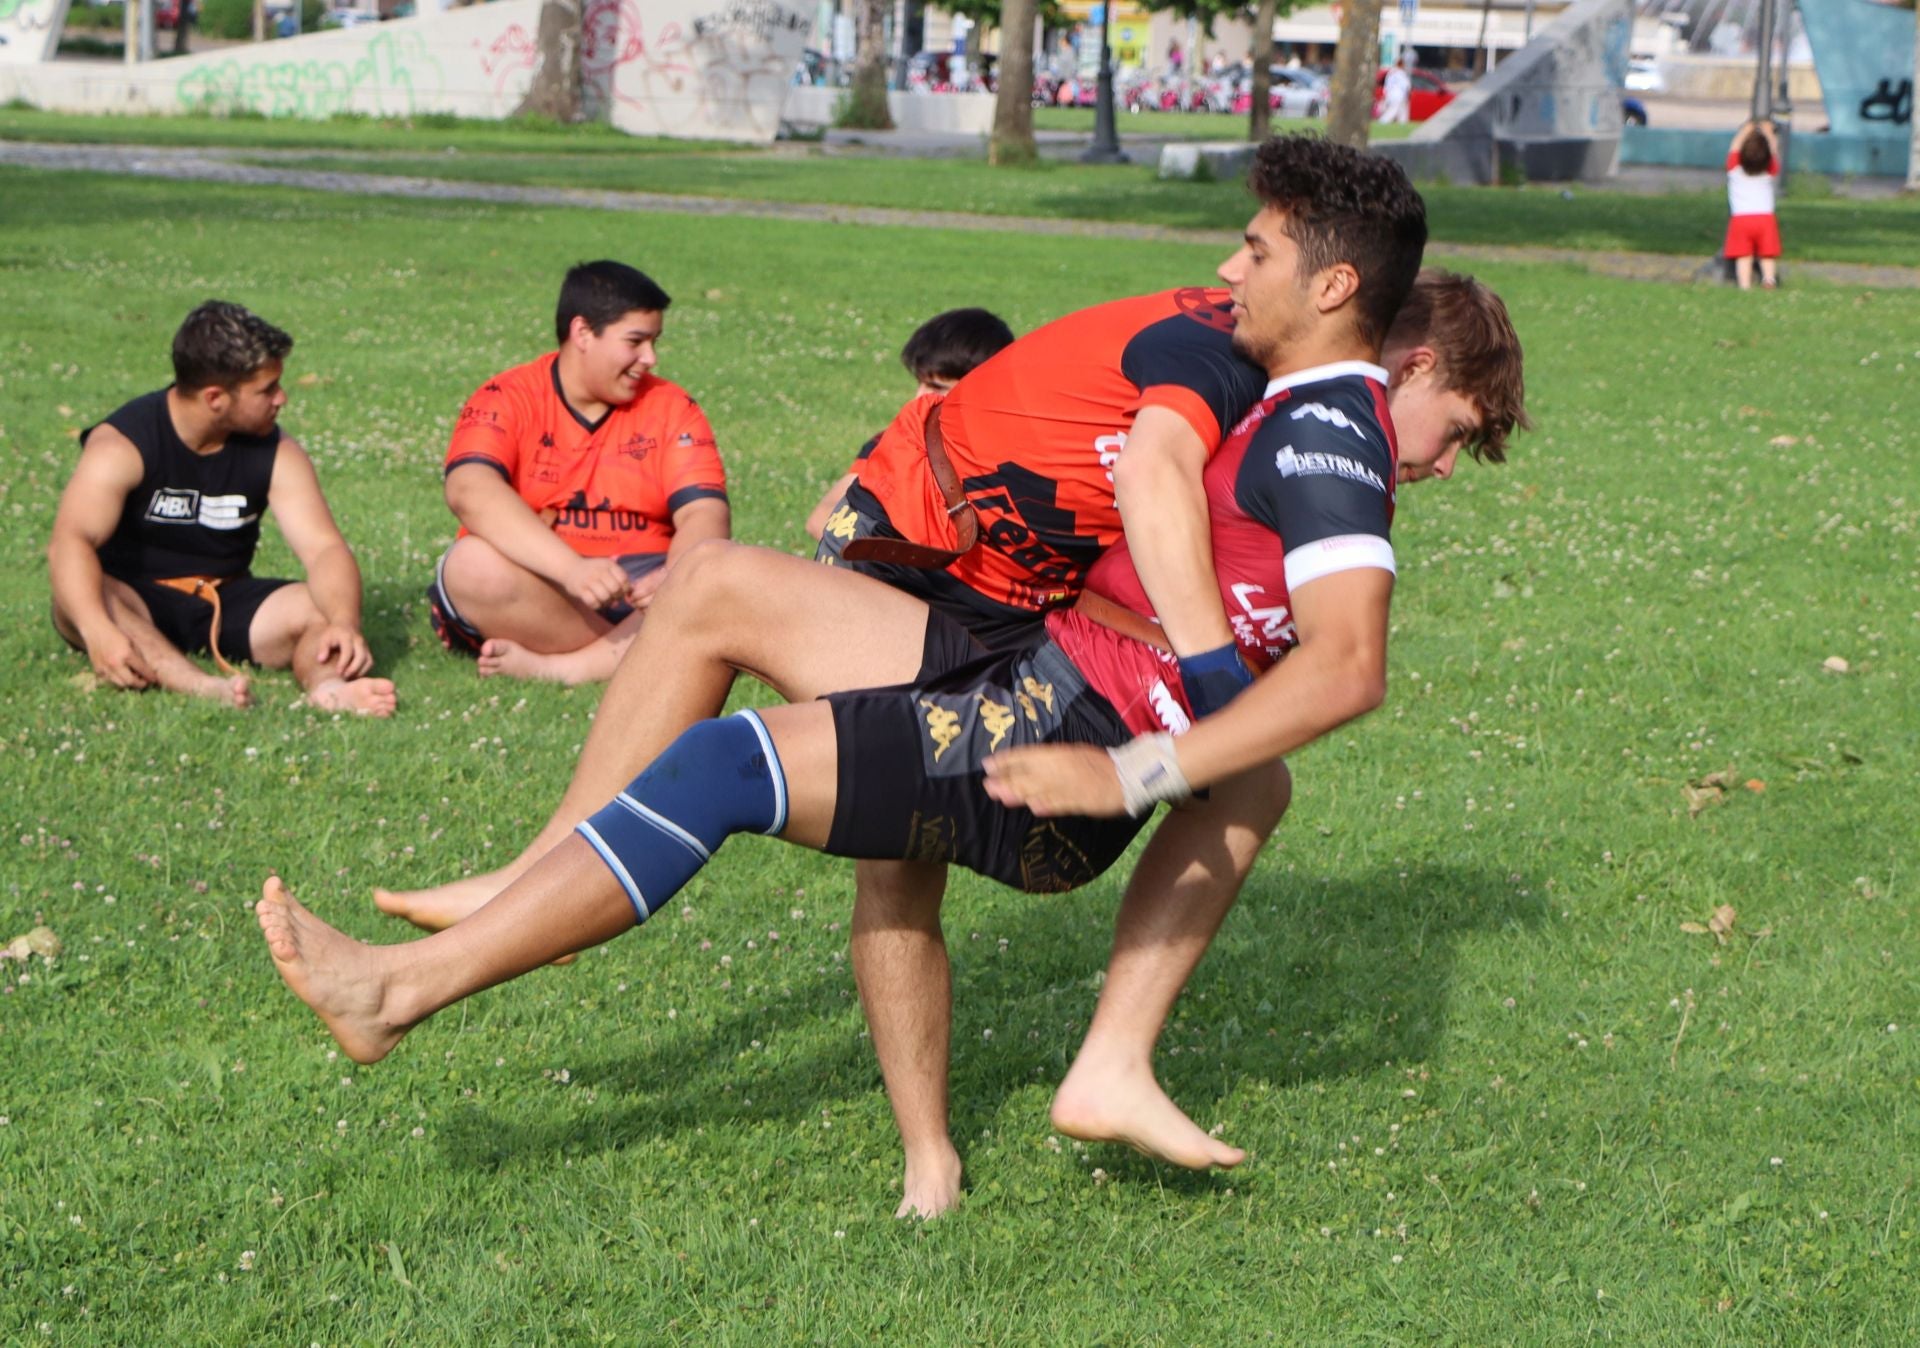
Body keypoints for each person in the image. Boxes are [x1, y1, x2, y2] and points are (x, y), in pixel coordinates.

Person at [258, 213, 1525, 1215]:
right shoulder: (1282, 396)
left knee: (738, 781)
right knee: (716, 592)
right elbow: (1177, 545)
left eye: (1258, 251)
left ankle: (404, 992)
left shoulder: (1321, 439)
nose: (1444, 461)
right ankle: (977, 1123)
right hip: (1018, 649)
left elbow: (1312, 673)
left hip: (1056, 723)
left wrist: (1158, 756)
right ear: (1404, 356)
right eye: (1454, 428)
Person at [49, 301, 397, 717]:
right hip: (131, 600)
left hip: (224, 597)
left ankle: (330, 689)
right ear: (215, 397)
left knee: (317, 607)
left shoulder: (276, 452)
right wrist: (97, 631)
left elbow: (323, 548)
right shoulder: (123, 444)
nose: (281, 398)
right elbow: (71, 541)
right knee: (86, 596)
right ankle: (197, 684)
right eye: (267, 389)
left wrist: (343, 620)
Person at [425, 261, 730, 686]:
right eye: (636, 342)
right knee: (470, 567)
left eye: (654, 342)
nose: (650, 358)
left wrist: (674, 575)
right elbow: (468, 490)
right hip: (543, 583)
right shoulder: (506, 396)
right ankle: (649, 651)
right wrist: (573, 570)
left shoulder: (673, 406)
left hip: (643, 590)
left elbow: (705, 514)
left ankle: (569, 667)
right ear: (583, 332)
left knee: (717, 573)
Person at [803, 308, 1015, 544]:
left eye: (937, 387)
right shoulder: (900, 441)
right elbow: (823, 517)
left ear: (982, 387)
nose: (919, 397)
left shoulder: (1016, 454)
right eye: (920, 383)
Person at [1725, 119, 1782, 291]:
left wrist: (1744, 130)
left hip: (1741, 219)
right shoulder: (1768, 171)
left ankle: (1744, 285)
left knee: (1744, 255)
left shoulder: (1735, 170)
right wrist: (1768, 132)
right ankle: (1769, 280)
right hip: (1765, 218)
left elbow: (1734, 148)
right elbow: (1773, 150)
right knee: (1767, 254)